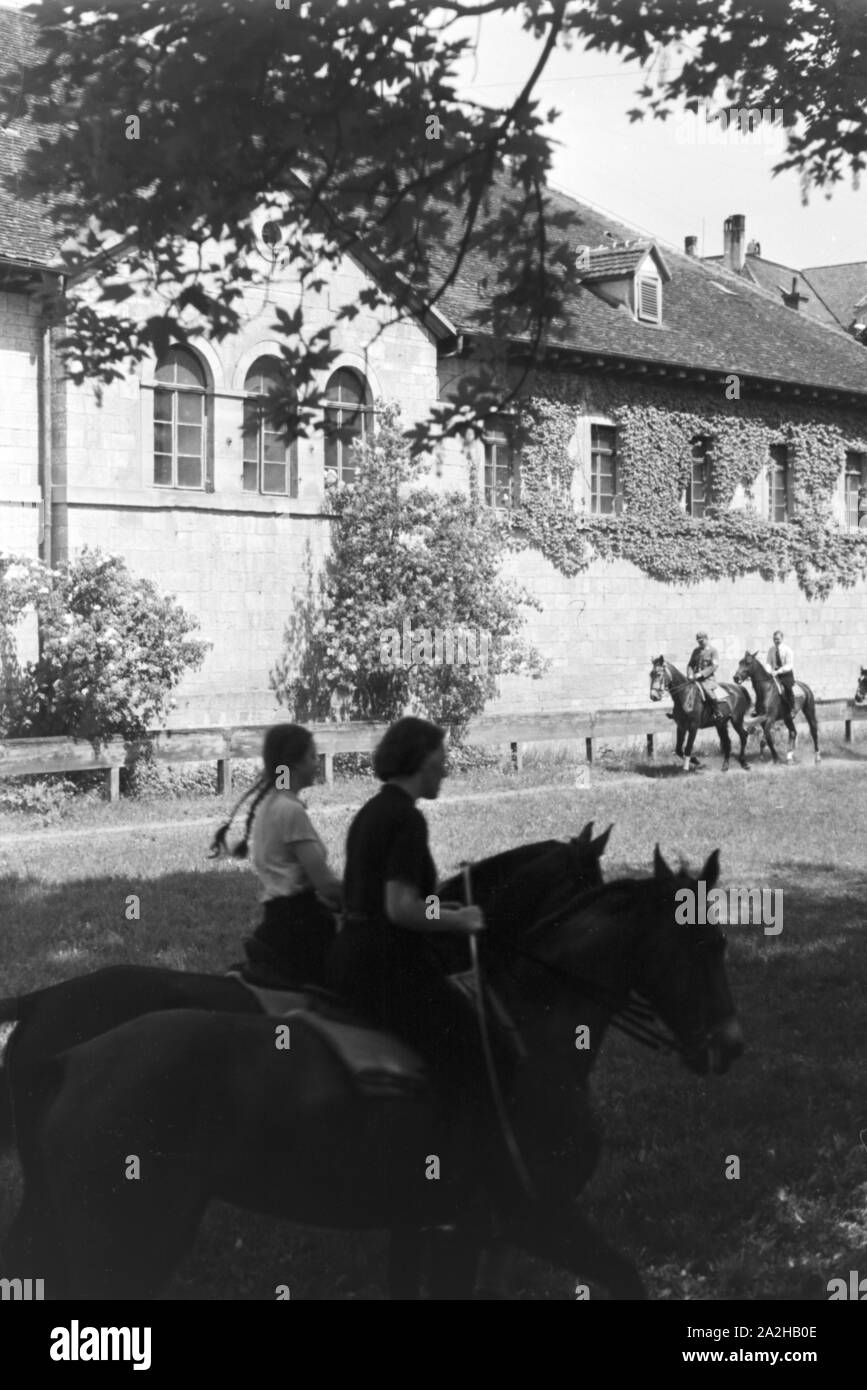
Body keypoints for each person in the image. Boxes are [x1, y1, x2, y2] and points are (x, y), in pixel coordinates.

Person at [326, 716, 503, 1122]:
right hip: (383, 966)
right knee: (473, 1042)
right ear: (421, 761)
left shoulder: (374, 810)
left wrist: (442, 909)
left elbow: (379, 899)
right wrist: (462, 921)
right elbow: (400, 908)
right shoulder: (407, 819)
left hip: (347, 955)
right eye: (441, 759)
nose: (445, 768)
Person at [209, 723, 342, 987]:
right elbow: (326, 885)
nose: (317, 763)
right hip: (303, 928)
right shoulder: (291, 811)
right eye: (312, 756)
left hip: (277, 920)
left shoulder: (269, 806)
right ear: (294, 762)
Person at [686, 631, 722, 712]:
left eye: (701, 641)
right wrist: (690, 674)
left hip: (707, 679)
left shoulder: (713, 651)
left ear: (706, 639)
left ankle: (717, 711)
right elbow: (690, 665)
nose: (700, 643)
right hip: (694, 678)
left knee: (707, 691)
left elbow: (714, 666)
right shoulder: (696, 651)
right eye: (698, 641)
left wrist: (701, 674)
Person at [767, 630, 796, 715]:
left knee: (787, 688)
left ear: (782, 639)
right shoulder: (771, 650)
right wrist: (769, 671)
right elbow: (768, 662)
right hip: (774, 673)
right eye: (774, 639)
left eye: (777, 639)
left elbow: (789, 665)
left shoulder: (788, 650)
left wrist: (778, 671)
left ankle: (792, 708)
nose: (776, 641)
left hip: (786, 674)